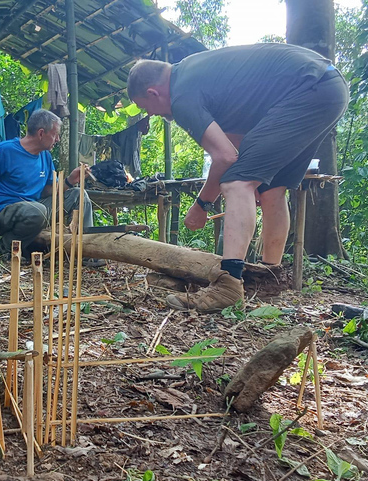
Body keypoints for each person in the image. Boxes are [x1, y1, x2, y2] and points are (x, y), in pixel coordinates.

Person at [127, 43, 349, 312]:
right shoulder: (196, 74)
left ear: (153, 92)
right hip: (327, 87)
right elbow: (236, 143)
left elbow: (225, 158)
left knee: (235, 182)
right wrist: (252, 178)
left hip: (306, 89)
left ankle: (227, 286)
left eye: (146, 107)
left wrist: (201, 206)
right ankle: (269, 278)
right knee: (272, 189)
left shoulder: (182, 96)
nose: (151, 115)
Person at [0, 109, 104, 266]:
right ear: (41, 133)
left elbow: (47, 191)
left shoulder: (45, 156)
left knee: (78, 195)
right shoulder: (5, 150)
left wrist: (69, 181)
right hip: (6, 212)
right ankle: (5, 248)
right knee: (38, 211)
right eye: (55, 135)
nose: (58, 139)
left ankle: (84, 252)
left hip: (37, 209)